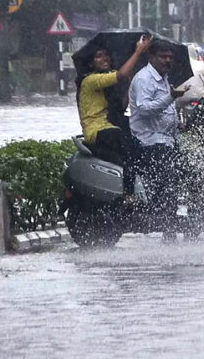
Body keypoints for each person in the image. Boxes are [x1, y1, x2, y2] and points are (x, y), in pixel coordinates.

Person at [128, 39, 191, 238]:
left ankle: (183, 222)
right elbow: (144, 109)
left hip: (166, 139)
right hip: (150, 142)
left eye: (170, 57)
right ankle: (168, 228)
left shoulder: (163, 78)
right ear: (151, 57)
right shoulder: (144, 79)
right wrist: (171, 97)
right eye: (163, 57)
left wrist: (178, 123)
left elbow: (164, 111)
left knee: (190, 171)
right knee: (168, 184)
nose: (167, 61)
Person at [76, 34, 152, 196]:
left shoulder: (106, 85)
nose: (104, 59)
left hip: (110, 127)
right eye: (99, 56)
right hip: (98, 130)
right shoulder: (91, 80)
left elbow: (121, 107)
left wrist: (129, 84)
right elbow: (121, 74)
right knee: (131, 147)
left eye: (106, 55)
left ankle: (143, 189)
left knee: (141, 147)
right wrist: (138, 52)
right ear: (91, 63)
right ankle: (129, 195)